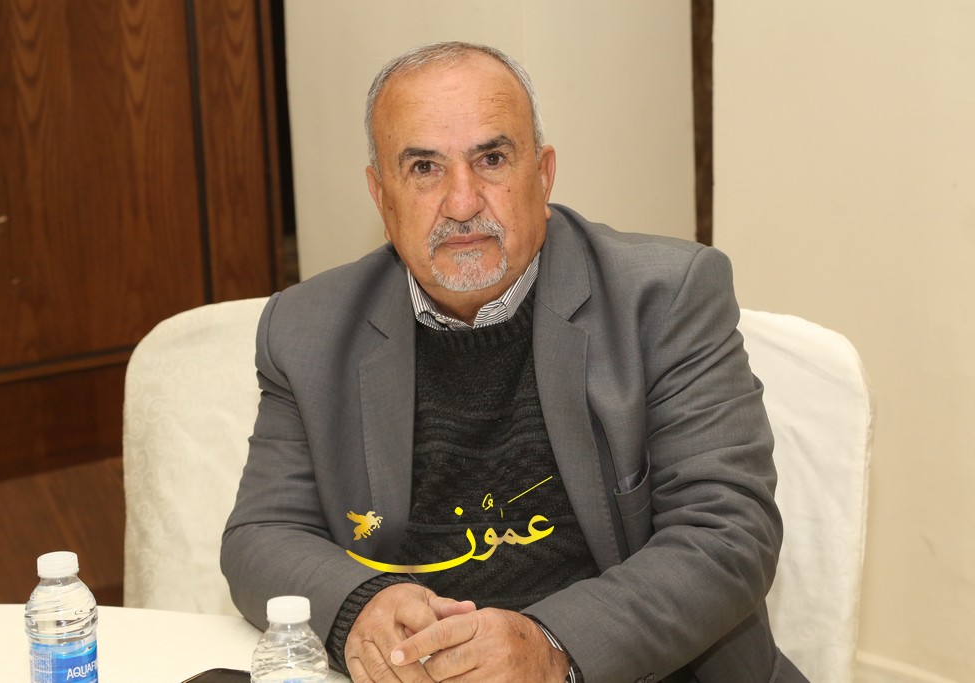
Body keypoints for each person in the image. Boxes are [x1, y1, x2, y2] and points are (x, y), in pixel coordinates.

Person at [222, 41, 807, 683]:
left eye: (492, 159)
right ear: (381, 195)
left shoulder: (667, 296)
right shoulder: (305, 328)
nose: (463, 201)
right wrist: (360, 604)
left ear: (543, 175)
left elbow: (728, 532)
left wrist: (554, 647)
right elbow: (263, 532)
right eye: (424, 167)